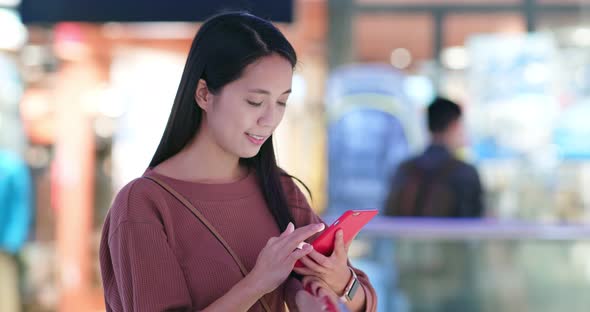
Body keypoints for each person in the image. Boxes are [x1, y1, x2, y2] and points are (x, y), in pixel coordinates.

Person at [99, 12, 376, 312]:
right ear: (204, 94)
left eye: (281, 102)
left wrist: (340, 282)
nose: (270, 119)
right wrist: (257, 282)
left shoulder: (279, 188)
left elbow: (365, 301)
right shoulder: (143, 204)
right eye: (255, 102)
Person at [384, 96, 484, 218]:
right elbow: (472, 222)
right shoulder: (465, 172)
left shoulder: (404, 168)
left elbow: (389, 214)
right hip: (448, 237)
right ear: (454, 126)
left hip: (406, 237)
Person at [0, 150, 32, 312]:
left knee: (5, 296)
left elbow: (20, 206)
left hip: (4, 247)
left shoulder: (11, 167)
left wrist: (12, 241)